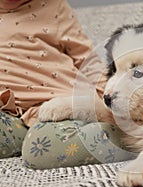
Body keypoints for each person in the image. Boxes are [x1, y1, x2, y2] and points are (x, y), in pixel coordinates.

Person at [0, 0, 132, 169]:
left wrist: (110, 99)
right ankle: (28, 136)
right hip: (12, 113)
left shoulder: (53, 6)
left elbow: (87, 61)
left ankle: (131, 140)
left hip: (60, 103)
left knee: (39, 151)